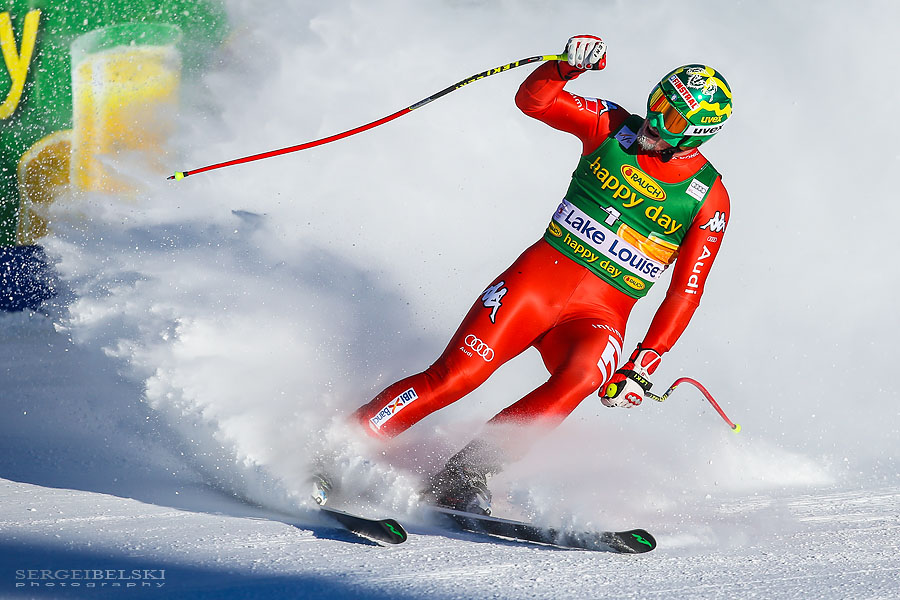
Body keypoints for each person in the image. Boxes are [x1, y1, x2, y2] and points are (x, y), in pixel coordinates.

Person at [344, 35, 733, 514]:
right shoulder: (611, 126)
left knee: (586, 376)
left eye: (671, 119)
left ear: (697, 133)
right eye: (657, 102)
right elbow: (534, 102)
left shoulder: (708, 196)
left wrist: (643, 364)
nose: (653, 120)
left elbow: (685, 293)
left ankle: (465, 475)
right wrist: (565, 68)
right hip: (536, 285)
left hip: (599, 314)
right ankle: (342, 442)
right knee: (454, 378)